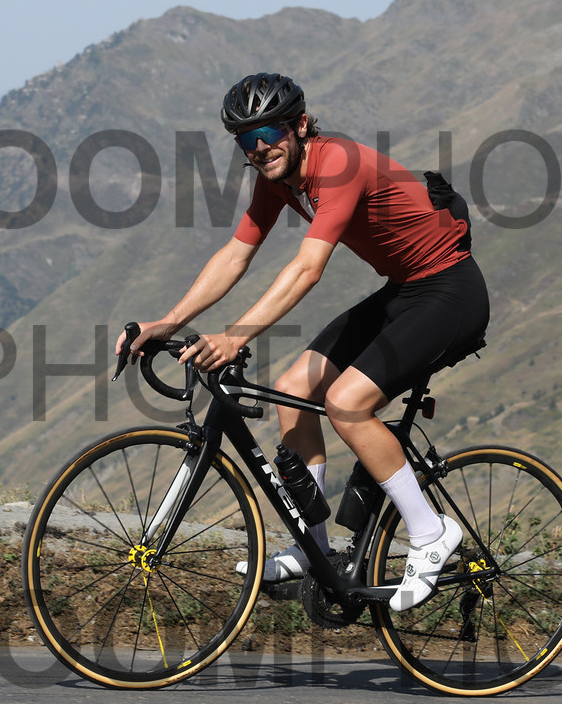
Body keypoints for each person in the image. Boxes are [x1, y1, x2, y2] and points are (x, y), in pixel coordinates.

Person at [117, 73, 488, 610]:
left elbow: (308, 268)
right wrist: (168, 323)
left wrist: (235, 335)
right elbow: (235, 255)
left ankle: (431, 533)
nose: (259, 147)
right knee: (294, 391)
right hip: (404, 291)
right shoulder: (277, 181)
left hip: (450, 291)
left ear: (301, 126)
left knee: (347, 403)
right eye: (245, 140)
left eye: (269, 132)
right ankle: (314, 548)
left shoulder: (339, 164)